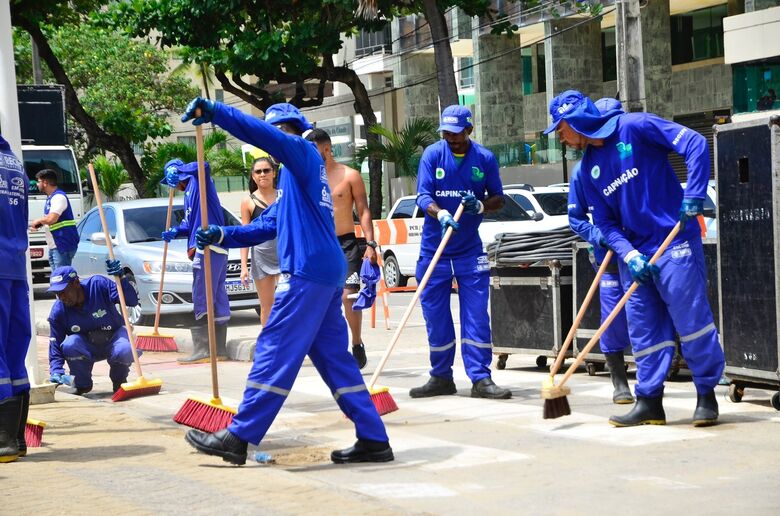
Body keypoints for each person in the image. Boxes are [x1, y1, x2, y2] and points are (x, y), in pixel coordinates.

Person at [181, 98, 392, 466]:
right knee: (335, 360)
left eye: (277, 133)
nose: (274, 142)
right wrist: (221, 235)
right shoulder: (298, 179)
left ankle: (240, 435)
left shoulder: (302, 152)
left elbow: (261, 133)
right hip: (325, 273)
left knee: (274, 348)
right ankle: (374, 439)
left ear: (291, 130)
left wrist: (216, 112)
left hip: (308, 273)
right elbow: (266, 225)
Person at [545, 89, 725, 427]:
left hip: (674, 242)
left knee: (692, 323)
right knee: (644, 331)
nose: (560, 137)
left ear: (575, 121)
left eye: (560, 129)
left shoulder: (636, 126)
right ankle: (650, 402)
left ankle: (706, 395)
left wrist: (695, 194)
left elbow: (696, 144)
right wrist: (630, 257)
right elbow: (607, 224)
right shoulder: (588, 170)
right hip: (636, 254)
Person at [410, 105, 512, 400]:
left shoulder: (485, 158)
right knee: (436, 316)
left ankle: (481, 378)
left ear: (469, 130)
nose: (451, 138)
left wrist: (480, 206)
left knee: (476, 316)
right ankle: (441, 376)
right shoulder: (433, 155)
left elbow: (499, 198)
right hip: (435, 252)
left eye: (456, 133)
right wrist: (439, 213)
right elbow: (423, 195)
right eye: (446, 133)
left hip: (470, 251)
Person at [567, 97, 634, 405]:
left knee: (647, 316)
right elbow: (575, 217)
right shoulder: (583, 171)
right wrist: (598, 234)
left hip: (641, 248)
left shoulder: (631, 155)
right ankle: (619, 382)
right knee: (612, 319)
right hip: (608, 257)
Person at [305, 128, 377, 369]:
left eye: (315, 152)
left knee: (348, 296)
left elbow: (364, 210)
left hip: (346, 243)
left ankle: (356, 342)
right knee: (321, 300)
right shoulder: (307, 178)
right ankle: (329, 348)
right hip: (318, 243)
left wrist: (370, 243)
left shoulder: (350, 176)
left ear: (327, 150)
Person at [161, 159, 230, 363]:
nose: (174, 186)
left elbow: (205, 165)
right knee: (216, 296)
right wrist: (176, 231)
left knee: (201, 294)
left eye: (173, 180)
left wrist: (179, 169)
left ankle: (204, 349)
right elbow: (188, 222)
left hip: (207, 246)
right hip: (213, 247)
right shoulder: (188, 194)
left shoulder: (199, 182)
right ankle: (219, 349)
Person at [46, 263, 137, 396]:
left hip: (114, 338)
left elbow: (132, 301)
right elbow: (55, 343)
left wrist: (121, 279)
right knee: (70, 344)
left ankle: (119, 381)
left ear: (76, 282)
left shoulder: (98, 285)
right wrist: (56, 370)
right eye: (57, 294)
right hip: (86, 346)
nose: (62, 298)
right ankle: (83, 384)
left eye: (64, 291)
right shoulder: (58, 311)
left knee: (124, 349)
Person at [0, 134, 32, 463]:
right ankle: (15, 438)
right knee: (12, 352)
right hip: (14, 266)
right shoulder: (15, 165)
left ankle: (2, 438)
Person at [240, 157, 280, 327]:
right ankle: (269, 346)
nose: (262, 174)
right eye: (258, 171)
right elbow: (245, 235)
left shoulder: (284, 197)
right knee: (267, 306)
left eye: (266, 170)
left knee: (289, 302)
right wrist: (244, 267)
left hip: (284, 255)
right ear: (253, 176)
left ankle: (289, 342)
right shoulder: (248, 202)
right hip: (261, 258)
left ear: (274, 173)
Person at [29, 169, 79, 270]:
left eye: (38, 181)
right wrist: (38, 225)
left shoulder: (58, 197)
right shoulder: (51, 198)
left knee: (61, 279)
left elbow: (52, 219)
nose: (37, 184)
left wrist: (38, 221)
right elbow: (51, 219)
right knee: (57, 278)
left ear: (45, 183)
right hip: (55, 244)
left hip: (62, 244)